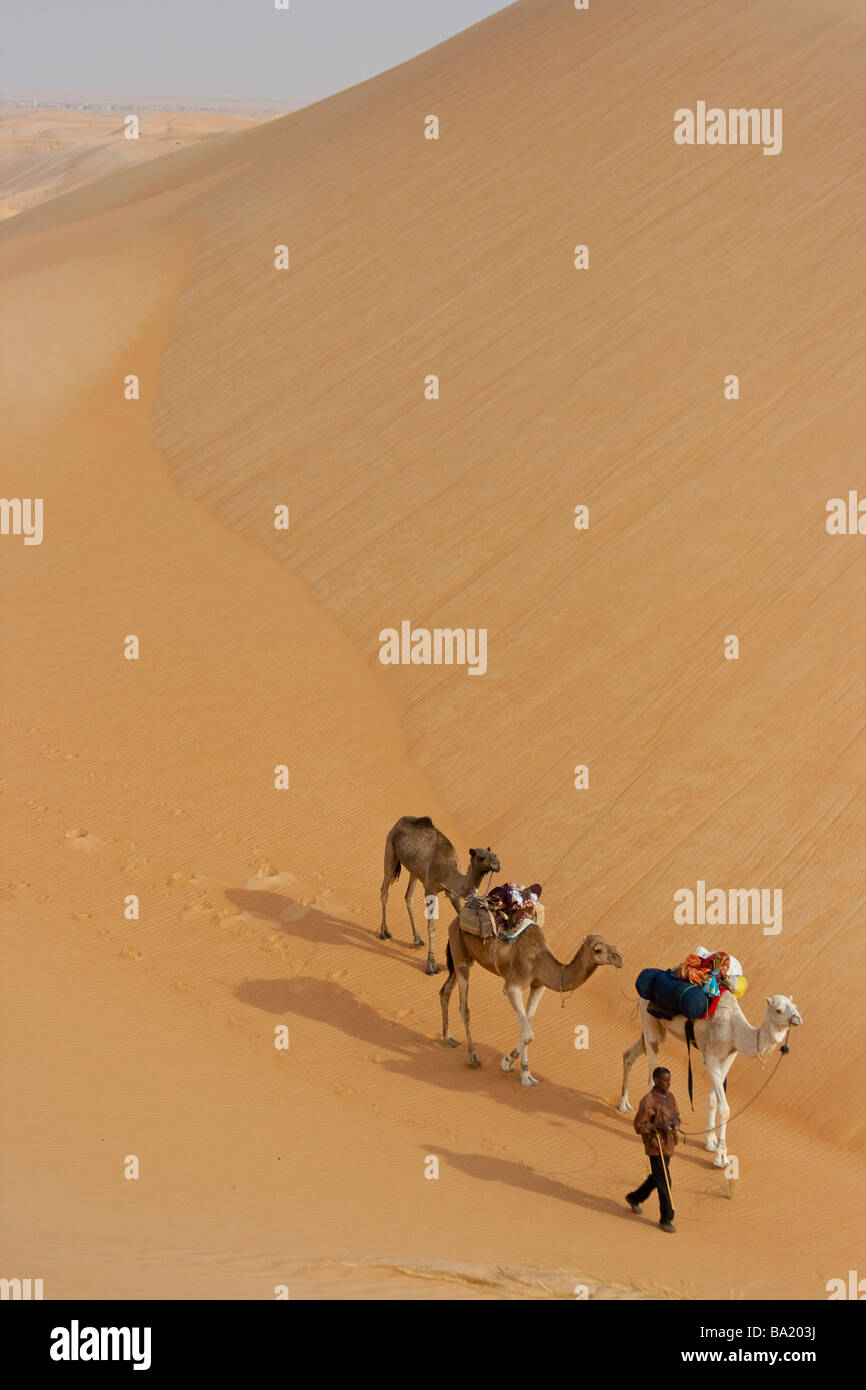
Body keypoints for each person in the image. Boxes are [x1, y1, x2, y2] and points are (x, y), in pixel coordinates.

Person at [625, 1065, 682, 1233]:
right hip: (654, 1145)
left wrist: (674, 1122)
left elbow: (677, 1115)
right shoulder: (648, 1100)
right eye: (664, 1081)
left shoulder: (670, 1097)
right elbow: (639, 1126)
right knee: (665, 1180)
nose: (668, 1084)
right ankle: (666, 1218)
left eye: (669, 1080)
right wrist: (657, 1125)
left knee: (657, 1177)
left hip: (668, 1143)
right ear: (656, 1080)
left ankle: (634, 1198)